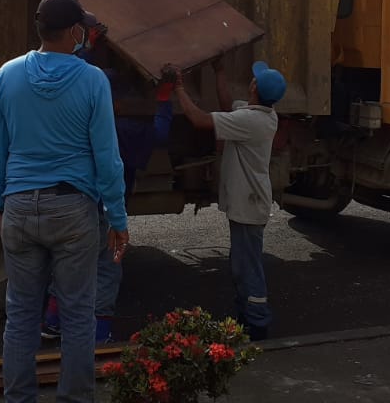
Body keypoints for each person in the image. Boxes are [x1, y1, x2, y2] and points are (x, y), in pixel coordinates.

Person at [0, 0, 130, 403]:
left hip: (18, 205)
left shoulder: (8, 74)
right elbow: (107, 156)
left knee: (21, 315)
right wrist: (117, 218)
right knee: (78, 315)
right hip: (72, 209)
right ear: (74, 32)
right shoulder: (92, 80)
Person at [42, 68, 176, 343]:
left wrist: (86, 51)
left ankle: (53, 321)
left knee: (68, 262)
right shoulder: (126, 130)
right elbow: (160, 134)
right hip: (105, 210)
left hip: (72, 204)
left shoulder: (74, 123)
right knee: (106, 268)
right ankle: (99, 333)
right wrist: (164, 98)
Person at [173, 58, 283, 342]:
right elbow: (227, 105)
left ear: (254, 87)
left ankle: (257, 323)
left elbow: (199, 119)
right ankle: (246, 315)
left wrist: (178, 87)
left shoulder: (251, 121)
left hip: (248, 205)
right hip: (249, 203)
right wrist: (219, 71)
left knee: (248, 267)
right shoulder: (260, 115)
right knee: (242, 263)